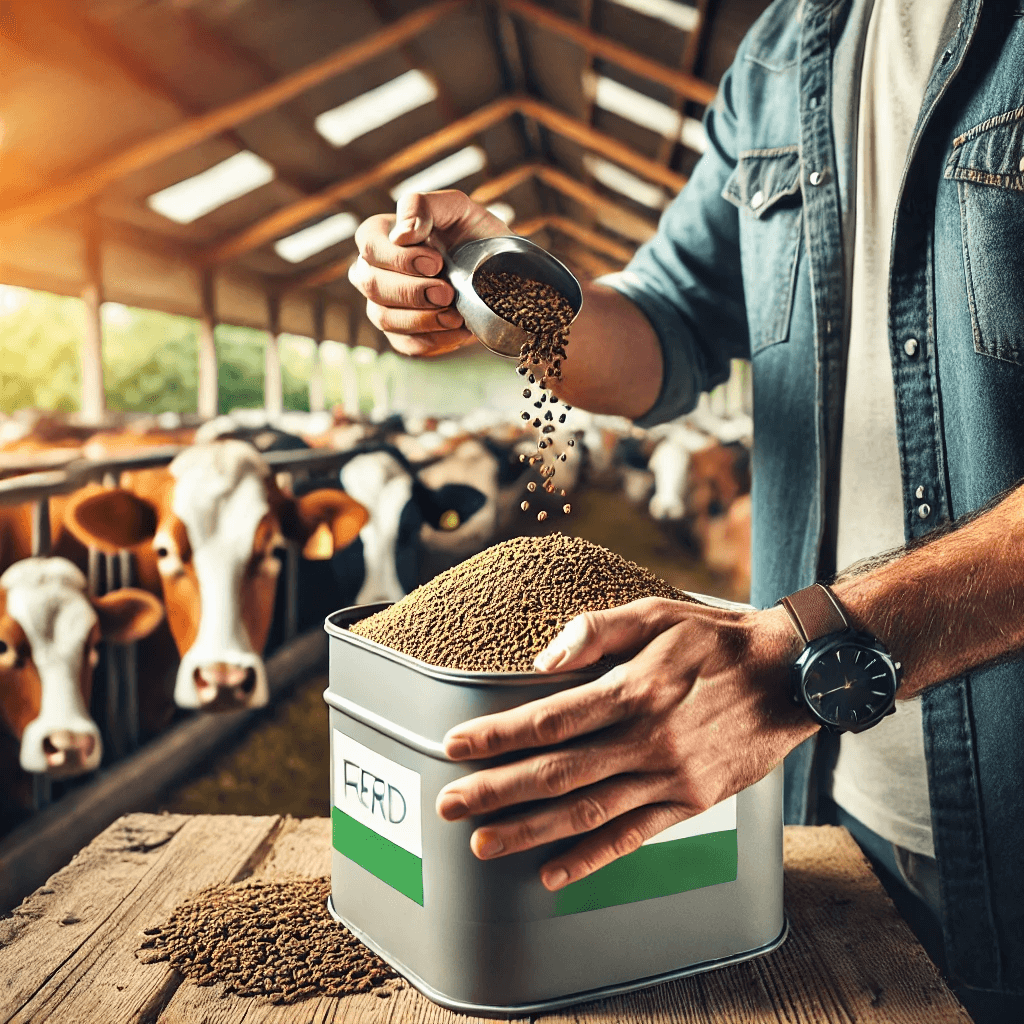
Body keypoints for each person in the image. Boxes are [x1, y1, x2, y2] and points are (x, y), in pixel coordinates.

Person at [348, 0, 1023, 1018]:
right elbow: (664, 326)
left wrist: (804, 658)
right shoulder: (785, 48)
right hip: (820, 803)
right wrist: (494, 281)